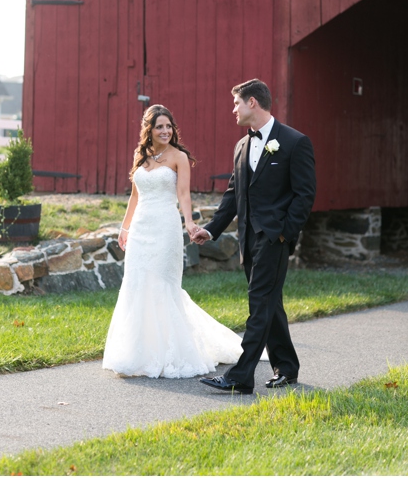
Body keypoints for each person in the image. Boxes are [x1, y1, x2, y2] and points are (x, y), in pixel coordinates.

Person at [192, 78, 316, 394]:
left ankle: (241, 376)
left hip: (274, 238)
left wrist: (285, 235)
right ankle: (286, 368)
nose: (233, 109)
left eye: (236, 103)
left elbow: (305, 194)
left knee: (259, 302)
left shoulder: (294, 141)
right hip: (249, 239)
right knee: (270, 304)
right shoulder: (241, 145)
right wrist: (211, 228)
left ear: (252, 103)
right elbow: (234, 194)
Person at [103, 105, 243, 378]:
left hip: (166, 228)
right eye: (159, 127)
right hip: (141, 229)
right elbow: (134, 196)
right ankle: (135, 355)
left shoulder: (178, 157)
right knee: (136, 284)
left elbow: (184, 194)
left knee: (162, 286)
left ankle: (168, 354)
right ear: (149, 130)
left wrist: (189, 223)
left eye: (169, 126)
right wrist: (125, 227)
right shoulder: (140, 155)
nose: (165, 131)